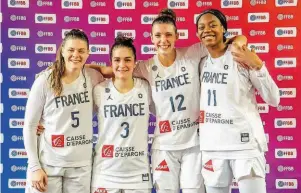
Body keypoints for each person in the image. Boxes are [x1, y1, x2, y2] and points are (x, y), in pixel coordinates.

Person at [87, 8, 250, 193]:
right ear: (151, 38)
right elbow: (113, 69)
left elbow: (225, 41)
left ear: (176, 36)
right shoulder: (146, 67)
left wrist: (240, 41)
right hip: (164, 146)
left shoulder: (192, 53)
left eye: (168, 35)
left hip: (194, 144)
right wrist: (78, 68)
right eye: (158, 35)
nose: (163, 40)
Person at [196, 9, 280, 193]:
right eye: (201, 27)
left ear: (224, 29)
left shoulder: (241, 56)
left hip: (245, 147)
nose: (207, 30)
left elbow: (274, 99)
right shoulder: (201, 63)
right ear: (197, 34)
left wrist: (258, 65)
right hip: (213, 148)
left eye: (213, 25)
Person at [23, 29, 104, 193]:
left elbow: (117, 72)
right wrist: (34, 166)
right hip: (48, 164)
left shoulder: (94, 77)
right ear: (62, 52)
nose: (76, 55)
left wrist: (97, 67)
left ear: (88, 53)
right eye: (71, 50)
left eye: (81, 51)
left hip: (81, 166)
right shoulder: (45, 80)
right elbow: (30, 125)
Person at [91, 35, 154, 193]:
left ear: (135, 62)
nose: (122, 65)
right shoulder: (99, 90)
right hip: (105, 171)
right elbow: (75, 112)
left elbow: (167, 111)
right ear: (110, 62)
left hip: (138, 173)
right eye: (117, 60)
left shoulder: (146, 88)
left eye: (127, 60)